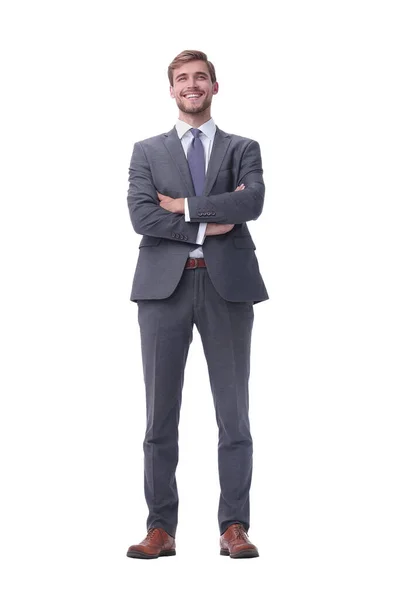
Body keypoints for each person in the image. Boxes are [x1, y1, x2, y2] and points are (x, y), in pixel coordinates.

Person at [126, 50, 268, 559]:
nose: (192, 85)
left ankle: (234, 526)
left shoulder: (242, 148)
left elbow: (250, 203)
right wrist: (211, 220)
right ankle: (160, 528)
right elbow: (142, 216)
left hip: (227, 287)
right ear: (171, 89)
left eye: (200, 77)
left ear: (214, 86)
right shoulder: (147, 151)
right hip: (163, 291)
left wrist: (183, 206)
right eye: (182, 79)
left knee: (234, 415)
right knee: (159, 415)